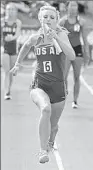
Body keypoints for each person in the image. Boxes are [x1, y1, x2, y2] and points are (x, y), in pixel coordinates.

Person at [10, 5, 75, 164]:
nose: (48, 20)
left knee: (53, 126)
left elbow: (72, 55)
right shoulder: (35, 37)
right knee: (45, 109)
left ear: (57, 20)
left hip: (58, 87)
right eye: (45, 17)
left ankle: (52, 137)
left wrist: (57, 38)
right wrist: (18, 64)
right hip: (39, 84)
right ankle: (42, 150)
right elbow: (25, 46)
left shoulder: (61, 35)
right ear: (40, 19)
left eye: (52, 17)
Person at [59, 1, 90, 109]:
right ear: (67, 7)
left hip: (77, 50)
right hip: (66, 50)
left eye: (75, 6)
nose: (73, 8)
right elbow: (57, 38)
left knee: (77, 77)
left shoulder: (81, 22)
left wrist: (87, 54)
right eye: (71, 5)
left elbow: (85, 39)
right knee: (64, 76)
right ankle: (64, 96)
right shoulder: (62, 21)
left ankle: (75, 100)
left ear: (77, 8)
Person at [1, 3, 22, 100]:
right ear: (6, 10)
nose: (10, 11)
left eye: (13, 9)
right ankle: (6, 92)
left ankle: (9, 89)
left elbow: (17, 35)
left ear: (16, 11)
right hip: (4, 49)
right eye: (9, 9)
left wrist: (11, 38)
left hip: (13, 49)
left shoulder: (18, 22)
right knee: (6, 71)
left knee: (11, 72)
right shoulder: (2, 21)